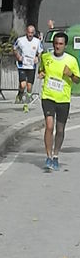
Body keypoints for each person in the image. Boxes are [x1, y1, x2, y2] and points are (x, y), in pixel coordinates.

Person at [38, 31, 80, 171]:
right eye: (56, 43)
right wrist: (41, 73)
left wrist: (71, 74)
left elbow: (78, 80)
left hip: (63, 99)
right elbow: (41, 70)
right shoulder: (46, 57)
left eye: (60, 44)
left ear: (65, 45)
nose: (57, 46)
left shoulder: (71, 60)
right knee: (49, 126)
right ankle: (48, 156)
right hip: (48, 96)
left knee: (60, 129)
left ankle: (56, 155)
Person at [13, 24, 42, 105]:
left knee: (29, 86)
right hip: (22, 65)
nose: (30, 35)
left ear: (34, 33)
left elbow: (40, 52)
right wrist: (18, 56)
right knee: (23, 85)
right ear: (26, 32)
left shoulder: (37, 41)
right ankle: (20, 94)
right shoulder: (20, 40)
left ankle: (27, 101)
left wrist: (37, 57)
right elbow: (14, 48)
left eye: (32, 33)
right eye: (29, 32)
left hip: (31, 66)